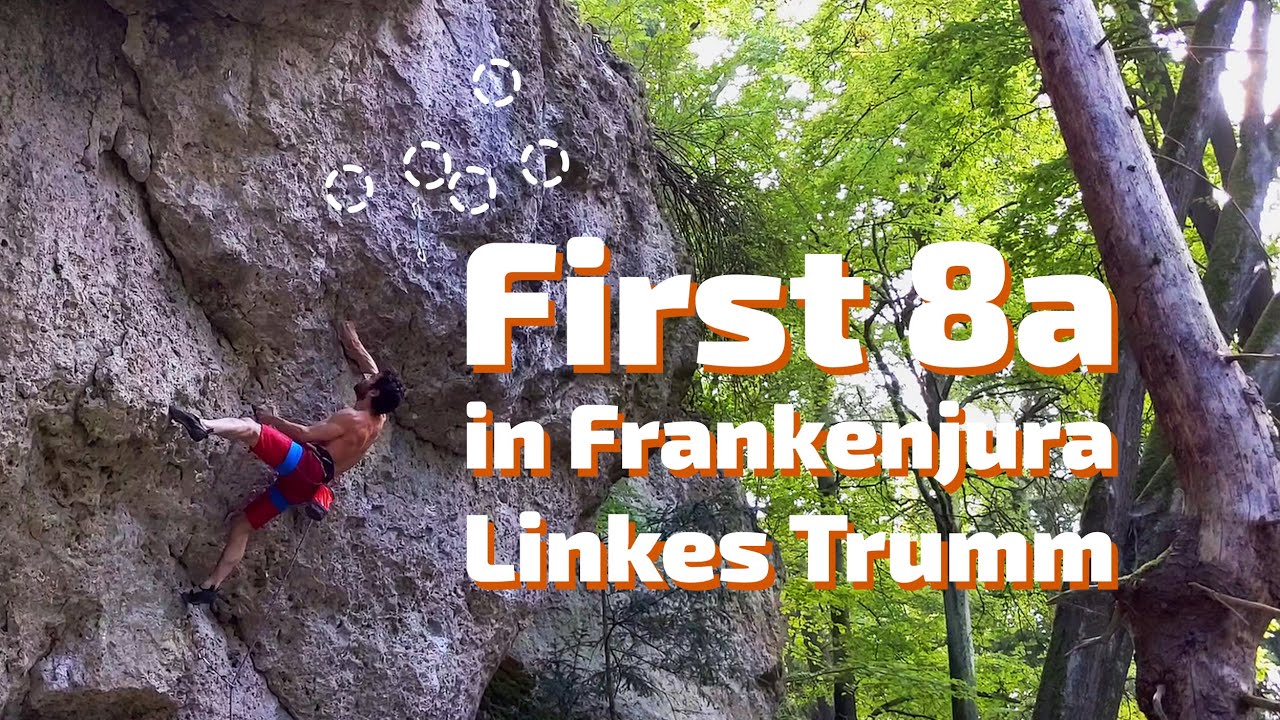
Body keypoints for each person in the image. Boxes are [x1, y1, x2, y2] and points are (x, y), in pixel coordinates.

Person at [168, 321, 405, 605]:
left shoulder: (351, 419)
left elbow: (304, 434)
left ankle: (203, 426)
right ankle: (211, 586)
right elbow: (371, 371)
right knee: (243, 525)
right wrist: (352, 340)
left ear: (374, 392)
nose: (368, 378)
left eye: (372, 382)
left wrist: (270, 420)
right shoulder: (379, 420)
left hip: (305, 466)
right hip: (306, 488)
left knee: (250, 428)